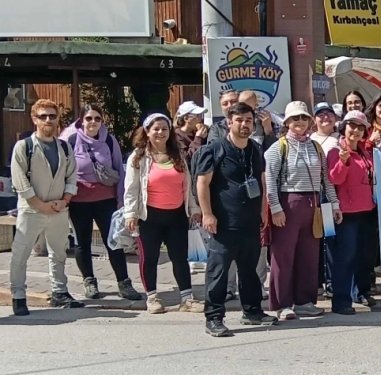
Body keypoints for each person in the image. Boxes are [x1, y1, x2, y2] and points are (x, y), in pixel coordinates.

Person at [196, 101, 277, 337]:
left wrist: (263, 210)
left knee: (250, 270)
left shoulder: (254, 149)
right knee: (218, 272)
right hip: (223, 223)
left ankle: (252, 312)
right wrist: (207, 213)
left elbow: (261, 181)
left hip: (250, 221)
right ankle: (214, 318)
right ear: (229, 122)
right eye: (239, 120)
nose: (244, 124)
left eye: (248, 120)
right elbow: (203, 183)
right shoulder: (214, 149)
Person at [265, 101, 341, 319]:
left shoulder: (316, 147)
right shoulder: (278, 148)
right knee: (283, 256)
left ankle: (305, 300)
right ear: (287, 122)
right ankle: (282, 304)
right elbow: (269, 179)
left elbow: (326, 178)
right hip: (288, 202)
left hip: (313, 203)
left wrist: (334, 204)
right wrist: (276, 209)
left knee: (309, 255)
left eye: (304, 118)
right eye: (295, 118)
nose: (300, 122)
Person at [8, 99, 83, 315]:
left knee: (58, 253)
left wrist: (65, 199)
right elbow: (19, 181)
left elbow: (72, 177)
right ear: (34, 119)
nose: (48, 120)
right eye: (43, 116)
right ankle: (19, 296)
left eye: (52, 115)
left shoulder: (65, 147)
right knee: (20, 254)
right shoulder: (24, 147)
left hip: (59, 209)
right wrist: (39, 204)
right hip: (32, 210)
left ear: (58, 118)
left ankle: (59, 292)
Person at [60, 104, 141, 303]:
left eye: (97, 118)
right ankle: (89, 282)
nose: (93, 122)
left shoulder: (109, 141)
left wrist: (122, 200)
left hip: (106, 199)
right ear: (81, 120)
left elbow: (119, 171)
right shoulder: (70, 140)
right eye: (89, 118)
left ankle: (124, 282)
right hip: (79, 200)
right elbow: (63, 170)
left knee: (113, 241)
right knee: (82, 242)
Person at [123, 113, 198, 313]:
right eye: (155, 129)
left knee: (180, 257)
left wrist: (194, 209)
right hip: (150, 217)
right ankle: (152, 298)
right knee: (150, 258)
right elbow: (131, 188)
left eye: (165, 129)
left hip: (176, 216)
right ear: (147, 132)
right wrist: (130, 213)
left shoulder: (178, 154)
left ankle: (187, 298)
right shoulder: (138, 157)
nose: (160, 133)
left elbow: (187, 185)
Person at [327, 111, 378, 314]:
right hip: (346, 214)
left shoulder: (365, 152)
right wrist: (343, 161)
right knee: (345, 258)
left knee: (363, 257)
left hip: (367, 211)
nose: (355, 130)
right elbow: (335, 180)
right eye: (352, 126)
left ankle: (359, 293)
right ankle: (340, 301)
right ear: (344, 127)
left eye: (360, 127)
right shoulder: (335, 151)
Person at [173, 100, 209, 165]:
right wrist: (198, 138)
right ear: (186, 118)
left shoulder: (200, 131)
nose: (200, 118)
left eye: (201, 115)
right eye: (197, 116)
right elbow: (186, 159)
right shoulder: (177, 135)